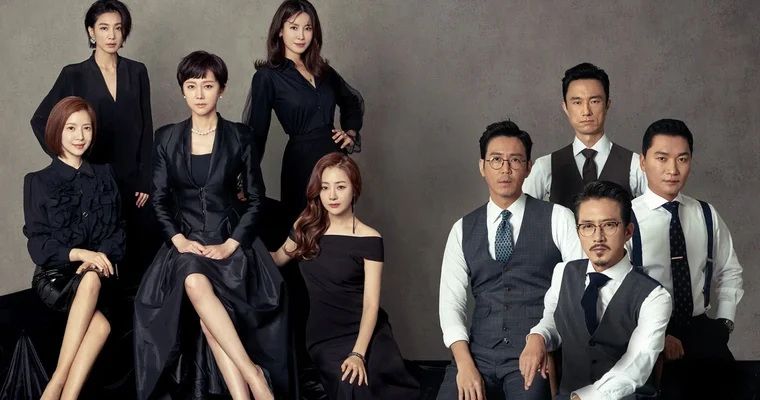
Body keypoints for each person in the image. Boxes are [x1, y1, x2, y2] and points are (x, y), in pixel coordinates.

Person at [132, 51, 289, 400]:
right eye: (192, 86)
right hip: (186, 242)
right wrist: (178, 240)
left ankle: (243, 394)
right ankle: (254, 377)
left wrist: (231, 244)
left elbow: (256, 199)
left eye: (207, 85)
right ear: (183, 91)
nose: (199, 94)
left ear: (222, 89)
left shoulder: (241, 136)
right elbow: (159, 200)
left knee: (210, 319)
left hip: (230, 239)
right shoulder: (166, 138)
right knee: (192, 277)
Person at [242, 1, 365, 394]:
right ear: (280, 31)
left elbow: (353, 103)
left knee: (338, 253)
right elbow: (255, 134)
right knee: (304, 258)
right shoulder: (268, 76)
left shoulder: (323, 71)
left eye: (307, 27)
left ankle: (344, 353)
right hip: (301, 167)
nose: (300, 35)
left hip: (336, 168)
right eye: (293, 26)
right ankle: (305, 365)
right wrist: (244, 181)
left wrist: (350, 133)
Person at [437, 120, 583, 400]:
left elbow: (573, 291)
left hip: (534, 352)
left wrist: (542, 337)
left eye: (515, 160)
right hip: (477, 354)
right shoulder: (462, 229)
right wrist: (464, 363)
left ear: (528, 168)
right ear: (482, 167)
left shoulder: (558, 218)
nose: (505, 169)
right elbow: (451, 303)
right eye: (496, 160)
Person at [270, 152, 420, 399]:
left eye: (340, 187)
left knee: (379, 382)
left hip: (368, 332)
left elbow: (371, 304)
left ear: (354, 189)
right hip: (324, 336)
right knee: (352, 386)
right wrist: (233, 246)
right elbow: (275, 259)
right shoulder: (304, 229)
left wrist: (358, 353)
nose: (332, 196)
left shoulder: (370, 239)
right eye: (325, 187)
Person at [30, 0, 158, 287]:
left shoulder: (137, 71)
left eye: (118, 28)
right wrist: (67, 162)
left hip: (133, 180)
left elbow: (147, 127)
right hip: (93, 181)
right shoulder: (73, 74)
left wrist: (146, 178)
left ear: (124, 32)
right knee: (99, 260)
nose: (111, 35)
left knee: (139, 256)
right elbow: (40, 120)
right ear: (91, 32)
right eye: (103, 28)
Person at [520, 181, 671, 400]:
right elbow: (553, 320)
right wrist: (538, 336)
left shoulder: (655, 296)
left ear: (628, 231)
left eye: (609, 225)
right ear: (578, 231)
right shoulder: (563, 272)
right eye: (588, 226)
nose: (598, 237)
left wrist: (585, 398)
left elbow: (636, 365)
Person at [627, 119, 744, 398]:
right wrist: (656, 335)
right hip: (647, 334)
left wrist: (725, 321)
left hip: (702, 331)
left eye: (682, 159)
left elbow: (730, 271)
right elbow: (616, 291)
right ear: (643, 162)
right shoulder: (625, 218)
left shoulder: (705, 213)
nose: (673, 169)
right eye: (662, 158)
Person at [23, 96, 125, 400]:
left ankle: (61, 393)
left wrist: (97, 259)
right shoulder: (38, 181)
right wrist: (81, 254)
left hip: (97, 273)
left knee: (101, 325)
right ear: (56, 130)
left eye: (86, 128)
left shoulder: (105, 175)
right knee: (91, 285)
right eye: (71, 128)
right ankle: (57, 382)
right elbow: (38, 244)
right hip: (55, 277)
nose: (80, 136)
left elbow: (118, 232)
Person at [522, 63, 646, 208]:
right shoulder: (545, 166)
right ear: (565, 108)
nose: (586, 111)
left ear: (607, 105)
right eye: (577, 102)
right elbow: (521, 212)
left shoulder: (635, 164)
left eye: (594, 101)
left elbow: (655, 212)